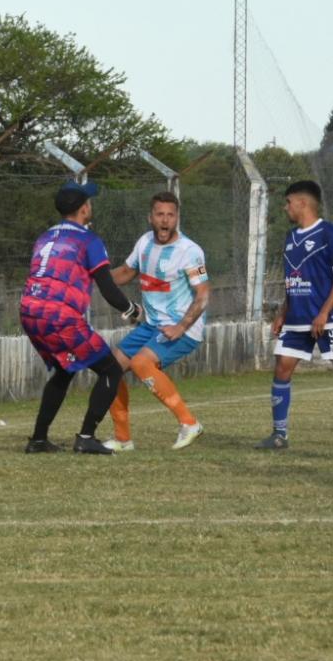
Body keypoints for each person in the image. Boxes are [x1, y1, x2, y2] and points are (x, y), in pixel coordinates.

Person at [20, 180, 143, 455]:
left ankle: (38, 439)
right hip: (59, 315)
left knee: (64, 371)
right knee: (111, 370)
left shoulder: (44, 237)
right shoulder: (89, 240)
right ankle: (86, 437)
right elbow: (108, 287)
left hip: (29, 311)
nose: (90, 205)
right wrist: (132, 310)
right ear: (83, 208)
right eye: (88, 201)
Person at [256, 180, 333, 451]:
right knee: (282, 368)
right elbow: (292, 279)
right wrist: (284, 312)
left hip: (327, 317)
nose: (285, 208)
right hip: (296, 318)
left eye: (288, 202)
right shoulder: (290, 238)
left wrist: (324, 314)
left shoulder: (330, 234)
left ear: (302, 203)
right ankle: (279, 435)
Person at [103, 191, 209, 452]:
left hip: (182, 328)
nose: (165, 220)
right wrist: (93, 277)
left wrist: (181, 326)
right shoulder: (144, 243)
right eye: (160, 214)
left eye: (170, 215)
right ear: (150, 217)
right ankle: (123, 439)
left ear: (177, 218)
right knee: (109, 370)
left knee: (141, 363)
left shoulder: (190, 251)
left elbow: (204, 293)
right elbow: (126, 272)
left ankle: (189, 423)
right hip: (151, 325)